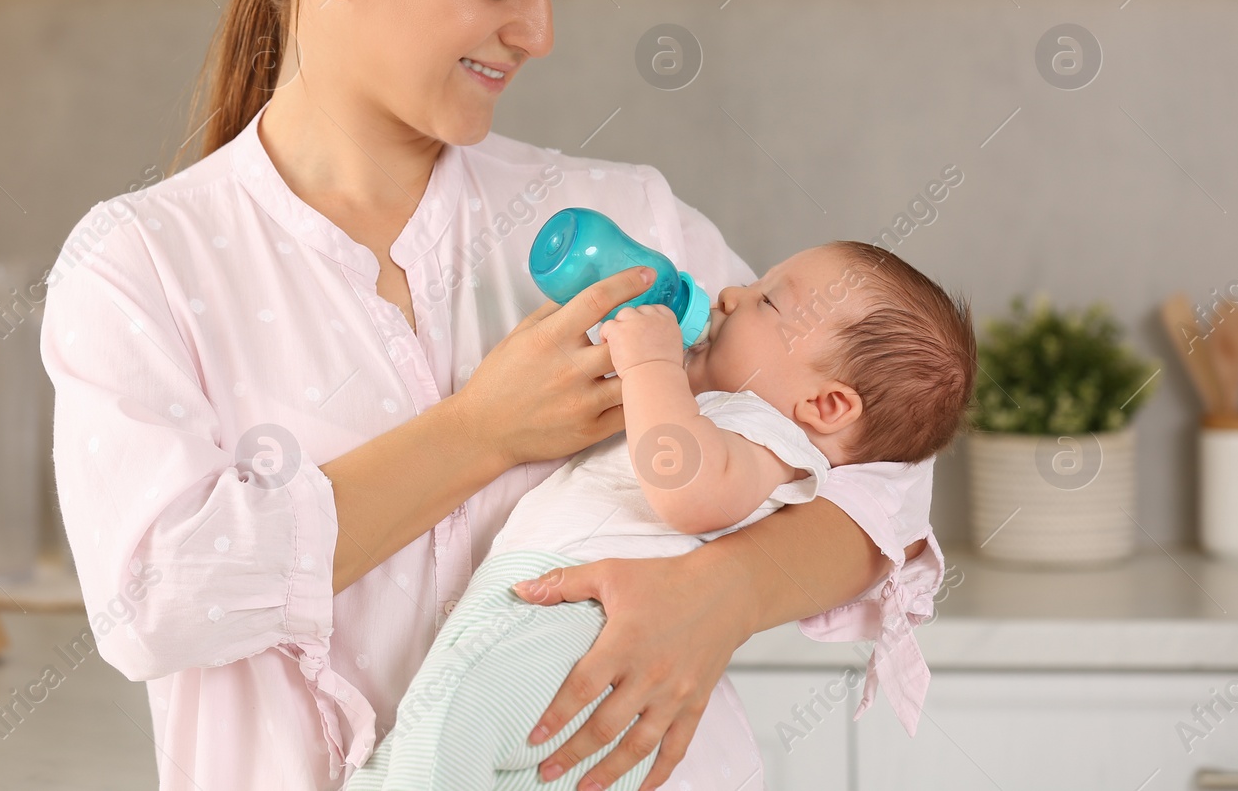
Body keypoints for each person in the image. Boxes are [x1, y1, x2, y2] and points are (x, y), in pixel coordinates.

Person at [41, 0, 944, 791]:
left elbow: (876, 465)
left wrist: (725, 592)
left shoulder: (618, 218)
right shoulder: (141, 262)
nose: (537, 30)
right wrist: (480, 431)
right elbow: (150, 603)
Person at [344, 242, 976, 789]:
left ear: (827, 405)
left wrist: (650, 364)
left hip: (575, 615)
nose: (730, 294)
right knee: (440, 751)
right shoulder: (737, 419)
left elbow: (688, 491)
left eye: (768, 301)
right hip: (575, 627)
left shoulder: (767, 437)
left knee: (450, 719)